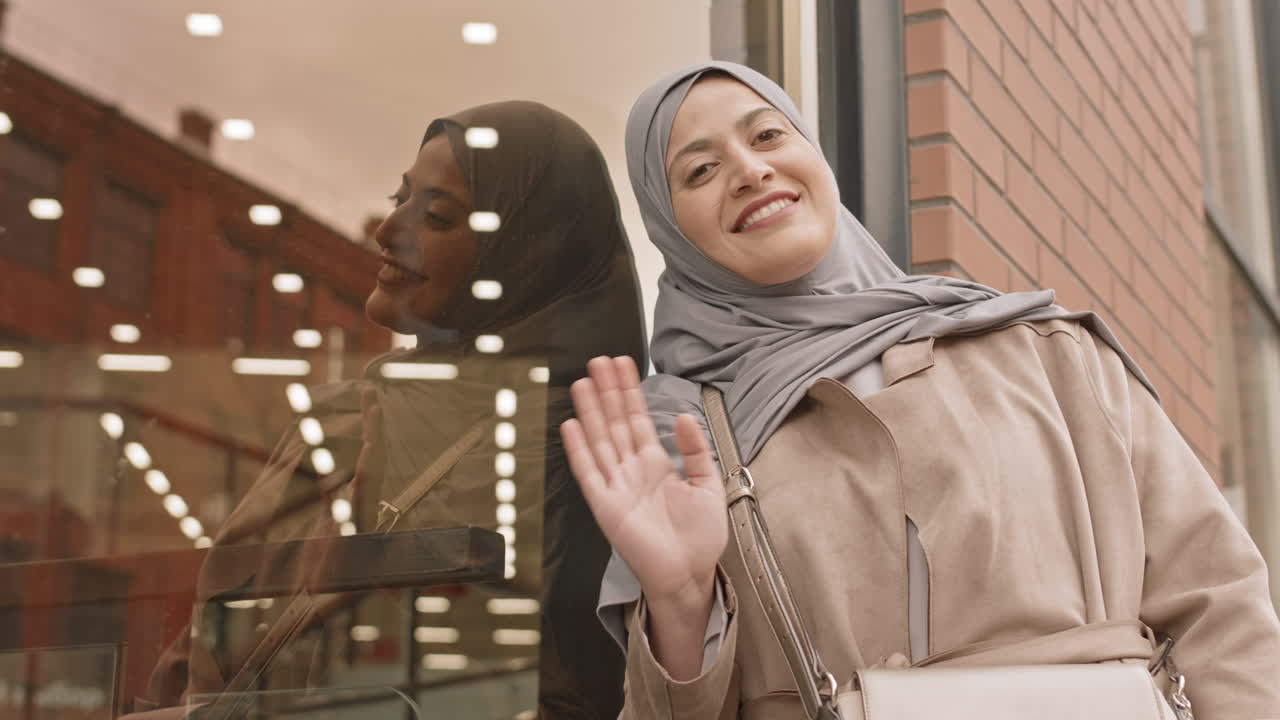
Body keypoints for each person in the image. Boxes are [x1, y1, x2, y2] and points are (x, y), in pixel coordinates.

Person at [561, 61, 1280, 720]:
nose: (750, 171)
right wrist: (681, 608)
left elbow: (1220, 607)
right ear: (670, 229)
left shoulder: (1048, 354)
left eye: (769, 135)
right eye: (700, 171)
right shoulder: (685, 434)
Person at [135, 100, 645, 719]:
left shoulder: (573, 450)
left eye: (435, 215)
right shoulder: (350, 417)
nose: (387, 229)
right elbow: (209, 650)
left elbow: (562, 695)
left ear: (526, 255)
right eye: (399, 197)